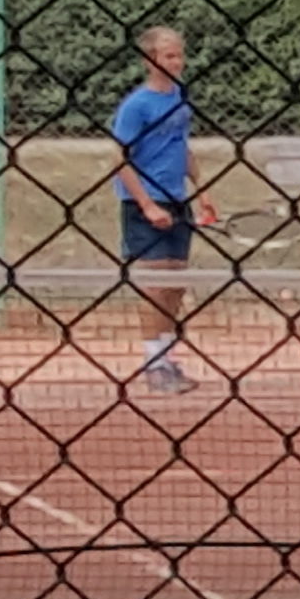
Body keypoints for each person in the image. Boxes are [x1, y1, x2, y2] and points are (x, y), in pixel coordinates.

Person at [107, 23, 219, 395]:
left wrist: (201, 190)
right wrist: (147, 204)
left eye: (179, 55)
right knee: (155, 286)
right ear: (149, 59)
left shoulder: (180, 96)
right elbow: (120, 160)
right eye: (169, 55)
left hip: (177, 200)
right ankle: (153, 364)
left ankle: (167, 358)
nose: (177, 62)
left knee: (175, 285)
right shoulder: (136, 106)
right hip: (143, 203)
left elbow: (181, 146)